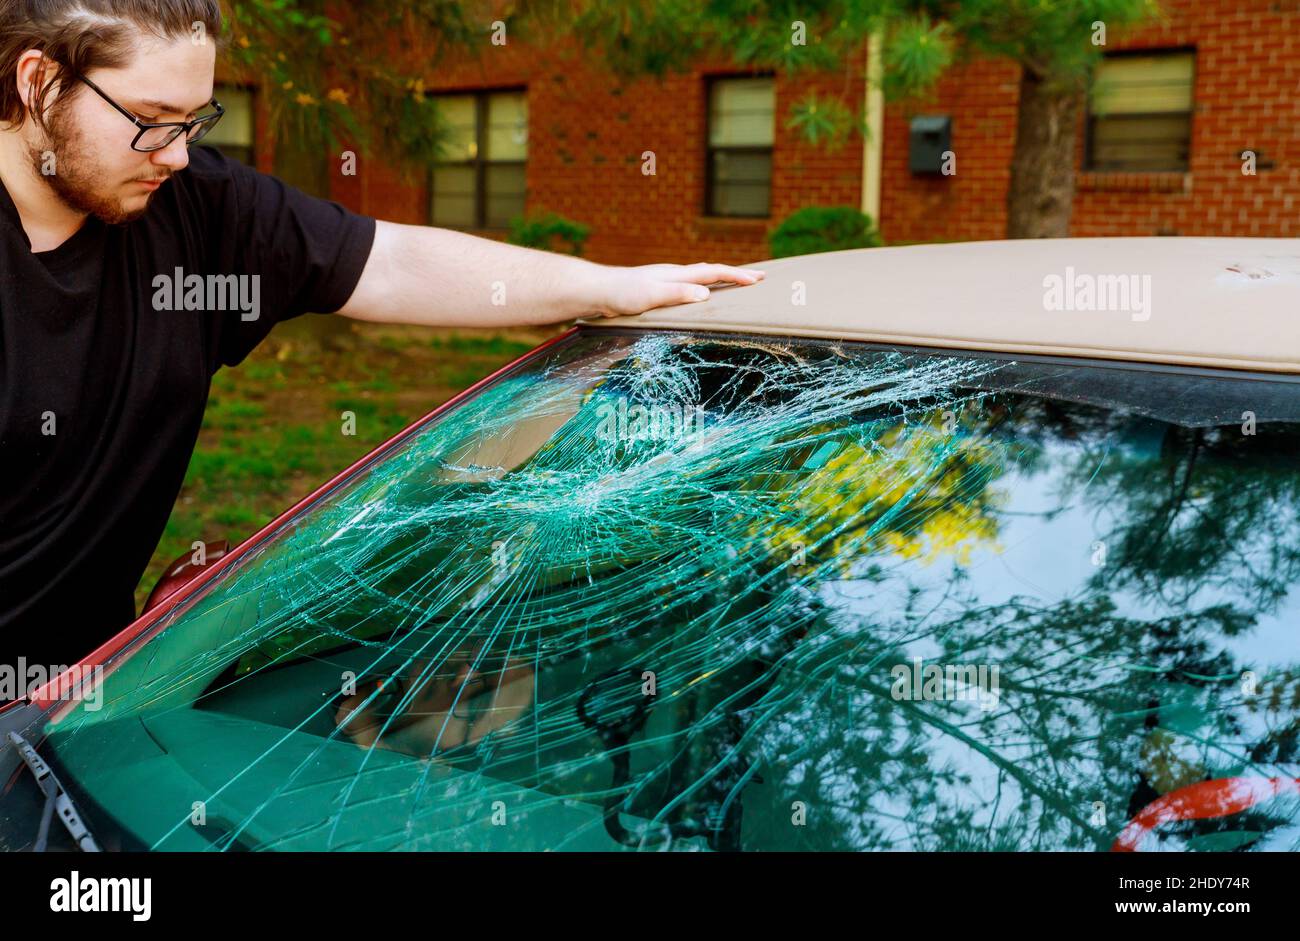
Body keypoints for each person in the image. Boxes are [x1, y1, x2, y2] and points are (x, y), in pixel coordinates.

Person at [0, 0, 764, 680]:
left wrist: (609, 286)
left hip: (76, 710)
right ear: (38, 83)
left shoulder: (194, 208)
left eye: (197, 120)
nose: (176, 152)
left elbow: (390, 261)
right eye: (151, 118)